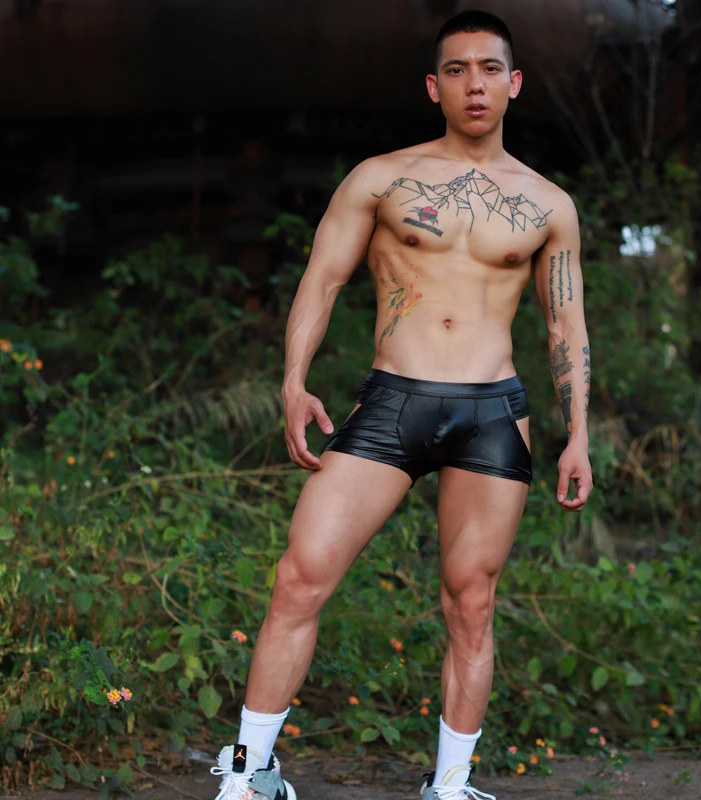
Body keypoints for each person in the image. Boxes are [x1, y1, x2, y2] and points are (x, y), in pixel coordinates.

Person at [210, 10, 593, 800]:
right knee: (300, 576)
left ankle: (449, 787)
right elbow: (322, 280)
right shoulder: (381, 178)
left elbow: (565, 325)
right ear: (433, 86)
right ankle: (249, 774)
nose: (474, 84)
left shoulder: (549, 204)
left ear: (514, 83)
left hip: (492, 413)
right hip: (393, 400)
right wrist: (293, 380)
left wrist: (579, 434)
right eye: (457, 69)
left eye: (490, 68)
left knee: (471, 602)